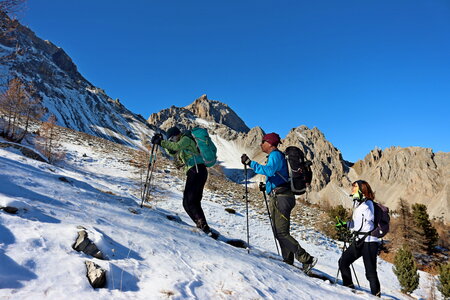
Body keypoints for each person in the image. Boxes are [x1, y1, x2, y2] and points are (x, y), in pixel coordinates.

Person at [241, 132, 317, 273]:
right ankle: (288, 261)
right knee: (279, 232)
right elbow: (276, 175)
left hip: (281, 198)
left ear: (269, 143)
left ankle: (307, 259)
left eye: (263, 141)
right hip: (281, 195)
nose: (261, 144)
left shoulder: (275, 155)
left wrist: (250, 163)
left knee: (281, 232)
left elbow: (269, 171)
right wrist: (268, 187)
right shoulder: (276, 156)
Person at [151, 126, 212, 236]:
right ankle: (204, 227)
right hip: (199, 171)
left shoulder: (185, 139)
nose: (172, 141)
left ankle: (203, 227)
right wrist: (162, 143)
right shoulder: (183, 142)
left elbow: (175, 146)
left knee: (188, 201)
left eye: (172, 138)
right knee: (193, 201)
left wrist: (161, 142)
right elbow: (172, 152)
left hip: (196, 170)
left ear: (176, 135)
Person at [338, 180, 381, 297]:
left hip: (369, 242)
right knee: (343, 262)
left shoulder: (368, 204)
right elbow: (358, 224)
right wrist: (345, 224)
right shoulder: (359, 204)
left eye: (355, 187)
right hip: (359, 241)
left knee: (370, 273)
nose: (352, 189)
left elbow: (366, 222)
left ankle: (376, 296)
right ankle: (349, 289)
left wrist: (361, 198)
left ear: (362, 189)